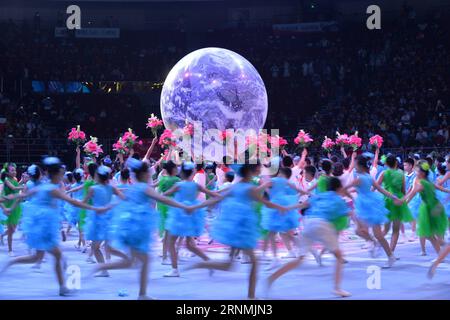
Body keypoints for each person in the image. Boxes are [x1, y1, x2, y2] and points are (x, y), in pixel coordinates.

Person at [185, 163, 300, 299]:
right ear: (250, 173)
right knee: (253, 263)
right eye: (256, 170)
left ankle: (199, 264)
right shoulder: (250, 188)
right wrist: (284, 208)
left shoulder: (237, 186)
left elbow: (217, 198)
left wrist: (196, 206)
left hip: (235, 227)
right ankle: (251, 296)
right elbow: (266, 203)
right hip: (243, 228)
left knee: (229, 264)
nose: (258, 172)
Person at [0, 157, 110, 296]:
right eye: (61, 174)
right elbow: (74, 202)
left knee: (40, 257)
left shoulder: (44, 186)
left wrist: (8, 199)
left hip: (42, 226)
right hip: (45, 228)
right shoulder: (53, 189)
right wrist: (95, 209)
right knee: (55, 256)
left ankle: (11, 264)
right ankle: (62, 287)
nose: (62, 177)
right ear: (56, 174)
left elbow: (25, 194)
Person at [92, 158, 197, 300]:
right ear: (142, 174)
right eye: (148, 172)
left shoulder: (135, 186)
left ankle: (141, 293)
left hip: (131, 227)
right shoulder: (144, 187)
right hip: (137, 228)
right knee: (138, 261)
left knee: (137, 261)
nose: (149, 174)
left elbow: (124, 199)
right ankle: (104, 270)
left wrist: (109, 207)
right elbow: (163, 199)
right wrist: (184, 206)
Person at [265, 177, 351, 298]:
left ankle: (272, 278)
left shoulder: (320, 196)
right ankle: (337, 288)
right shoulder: (339, 200)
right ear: (339, 188)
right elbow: (349, 214)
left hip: (308, 224)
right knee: (339, 257)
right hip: (322, 225)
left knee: (300, 259)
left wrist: (285, 208)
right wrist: (361, 224)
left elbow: (303, 205)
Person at [347, 156, 397, 268]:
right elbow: (380, 189)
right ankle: (384, 251)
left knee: (363, 231)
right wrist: (392, 196)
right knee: (365, 232)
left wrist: (345, 193)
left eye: (355, 165)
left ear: (360, 166)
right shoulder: (368, 177)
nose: (354, 167)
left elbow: (345, 188)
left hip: (365, 205)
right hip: (371, 203)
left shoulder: (359, 178)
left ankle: (379, 247)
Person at [398, 161, 449, 256]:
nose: (416, 173)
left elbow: (411, 194)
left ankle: (443, 249)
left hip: (429, 209)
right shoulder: (428, 182)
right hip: (436, 207)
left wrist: (402, 202)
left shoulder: (421, 183)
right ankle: (440, 251)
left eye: (417, 171)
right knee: (432, 232)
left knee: (429, 233)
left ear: (422, 173)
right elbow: (440, 188)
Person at [377, 155, 413, 254]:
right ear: (396, 163)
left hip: (387, 201)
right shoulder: (401, 174)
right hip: (398, 201)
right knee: (396, 230)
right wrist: (403, 201)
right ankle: (391, 253)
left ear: (386, 164)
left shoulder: (384, 173)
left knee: (385, 229)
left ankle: (377, 245)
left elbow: (376, 186)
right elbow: (403, 190)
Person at [1, 163, 25, 256]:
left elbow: (16, 186)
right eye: (12, 170)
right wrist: (24, 186)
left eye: (15, 170)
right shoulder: (6, 180)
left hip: (16, 205)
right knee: (11, 230)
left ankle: (2, 235)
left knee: (13, 229)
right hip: (8, 204)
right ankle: (10, 250)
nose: (15, 172)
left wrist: (22, 181)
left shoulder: (14, 179)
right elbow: (14, 188)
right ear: (7, 172)